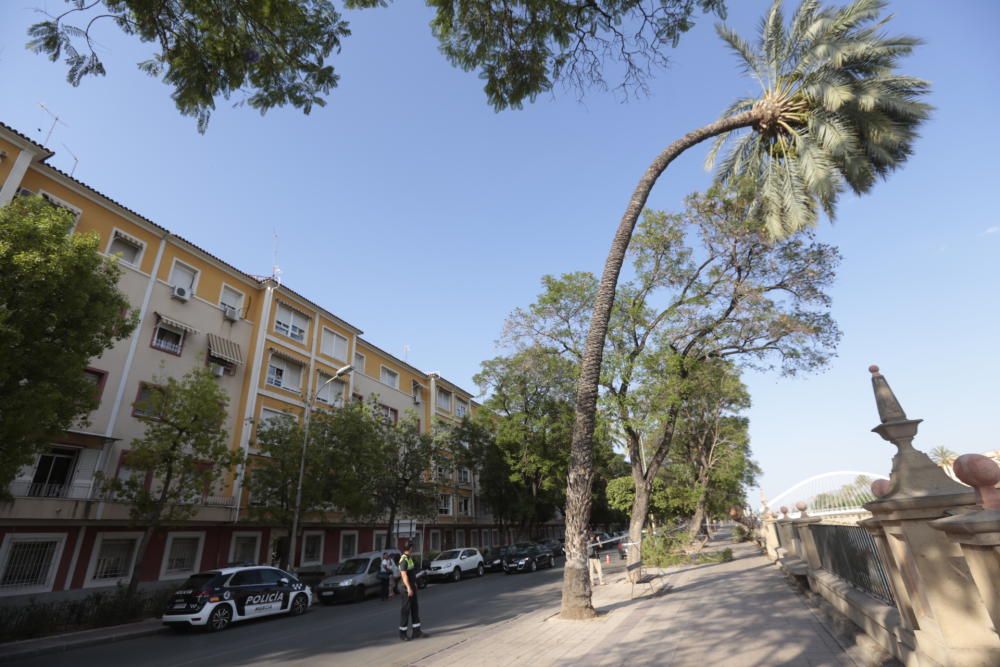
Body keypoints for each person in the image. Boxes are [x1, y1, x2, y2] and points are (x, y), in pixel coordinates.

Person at [397, 542, 426, 641]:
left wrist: (414, 584)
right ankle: (402, 634)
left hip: (412, 586)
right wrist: (409, 588)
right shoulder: (403, 560)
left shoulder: (409, 558)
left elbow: (412, 574)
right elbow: (404, 576)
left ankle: (416, 631)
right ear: (409, 548)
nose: (413, 549)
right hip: (405, 589)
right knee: (405, 611)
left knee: (415, 609)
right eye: (412, 547)